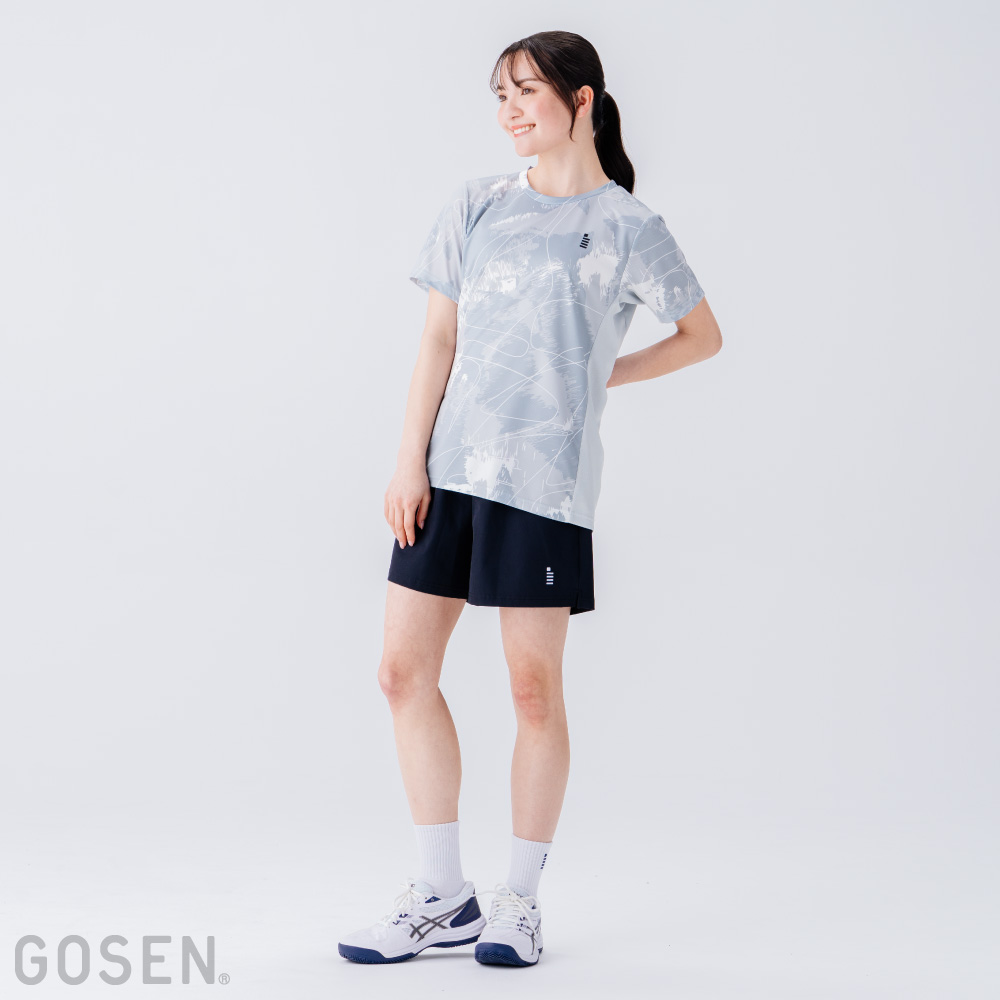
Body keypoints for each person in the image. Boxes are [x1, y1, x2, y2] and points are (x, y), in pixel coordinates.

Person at [338, 30, 722, 968]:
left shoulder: (628, 225)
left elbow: (702, 336)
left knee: (531, 690)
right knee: (400, 673)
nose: (510, 110)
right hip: (447, 473)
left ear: (581, 100)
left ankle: (519, 899)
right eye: (500, 95)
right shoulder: (476, 204)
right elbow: (437, 342)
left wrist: (602, 376)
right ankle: (442, 895)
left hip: (546, 486)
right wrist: (407, 461)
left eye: (527, 92)